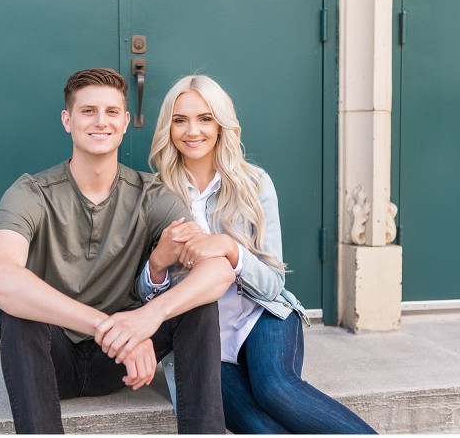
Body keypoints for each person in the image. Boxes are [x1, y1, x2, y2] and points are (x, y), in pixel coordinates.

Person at [0, 68, 233, 434]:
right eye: (88, 111)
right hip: (54, 358)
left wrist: (147, 319)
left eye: (112, 112)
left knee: (198, 306)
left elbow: (219, 271)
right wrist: (105, 326)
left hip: (118, 361)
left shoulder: (152, 196)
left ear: (126, 121)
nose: (101, 122)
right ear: (67, 120)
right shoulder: (31, 193)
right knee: (17, 313)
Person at [139, 74, 377, 434]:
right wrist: (157, 263)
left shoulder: (254, 184)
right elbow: (145, 300)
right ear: (167, 127)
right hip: (200, 338)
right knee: (257, 424)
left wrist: (231, 250)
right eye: (180, 119)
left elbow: (272, 284)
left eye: (205, 118)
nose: (193, 130)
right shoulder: (151, 194)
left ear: (221, 125)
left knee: (276, 390)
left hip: (260, 317)